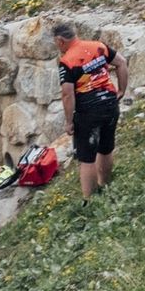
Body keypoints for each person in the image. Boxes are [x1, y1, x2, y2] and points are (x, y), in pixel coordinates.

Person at [53, 21, 130, 199]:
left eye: (56, 43)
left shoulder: (67, 61)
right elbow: (122, 62)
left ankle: (90, 200)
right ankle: (106, 185)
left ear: (60, 41)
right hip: (110, 104)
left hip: (88, 111)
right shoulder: (98, 46)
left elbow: (67, 94)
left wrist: (69, 122)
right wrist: (121, 90)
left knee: (87, 158)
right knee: (105, 148)